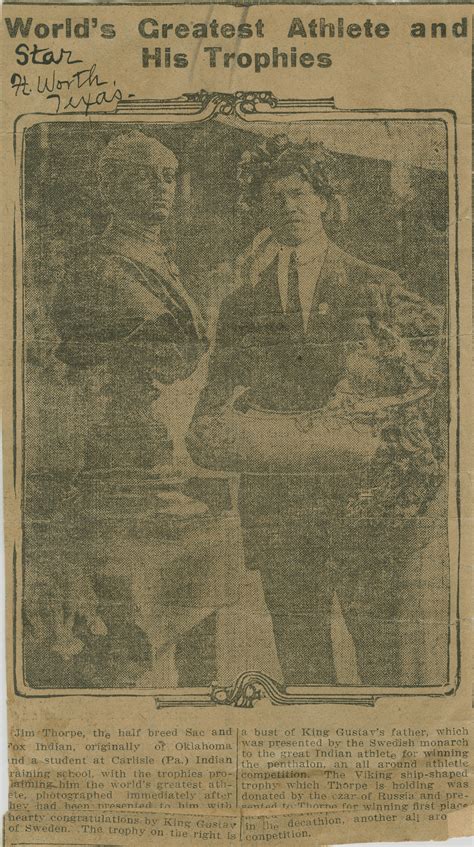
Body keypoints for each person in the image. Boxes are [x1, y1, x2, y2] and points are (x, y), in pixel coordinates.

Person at [187, 136, 444, 687]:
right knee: (303, 674)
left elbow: (427, 390)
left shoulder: (374, 284)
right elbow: (208, 413)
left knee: (384, 665)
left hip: (363, 512)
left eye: (300, 193)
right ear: (258, 208)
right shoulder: (240, 304)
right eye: (275, 197)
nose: (290, 207)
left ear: (324, 199)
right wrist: (228, 433)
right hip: (280, 515)